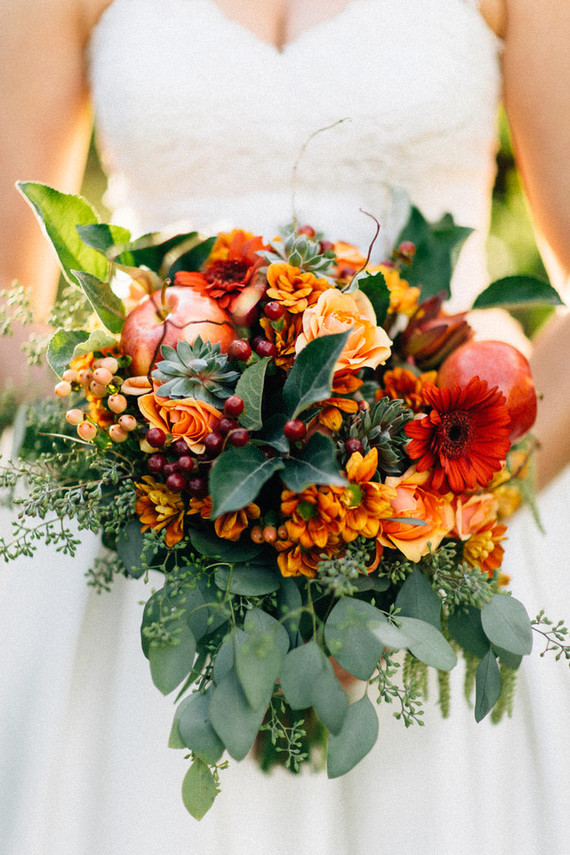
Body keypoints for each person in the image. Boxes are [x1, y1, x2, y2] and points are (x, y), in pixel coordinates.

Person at [0, 1, 569, 853]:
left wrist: (439, 515)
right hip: (146, 539)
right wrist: (150, 468)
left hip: (446, 514)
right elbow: (10, 307)